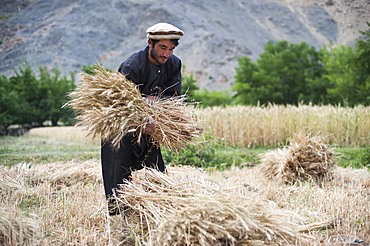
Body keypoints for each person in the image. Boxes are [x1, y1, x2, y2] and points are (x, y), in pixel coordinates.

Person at [101, 22, 184, 215]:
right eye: (163, 48)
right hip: (120, 127)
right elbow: (119, 102)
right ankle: (119, 217)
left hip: (152, 127)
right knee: (118, 174)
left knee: (155, 171)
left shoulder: (174, 63)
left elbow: (174, 98)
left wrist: (154, 104)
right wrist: (144, 106)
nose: (167, 54)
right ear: (150, 43)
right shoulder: (132, 65)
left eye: (171, 49)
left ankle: (156, 210)